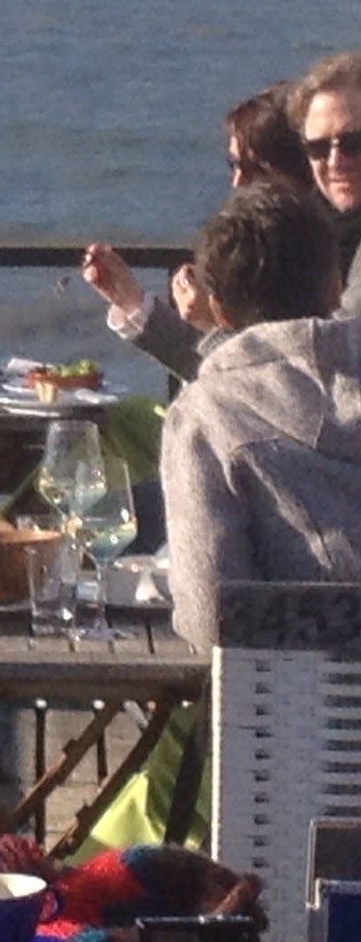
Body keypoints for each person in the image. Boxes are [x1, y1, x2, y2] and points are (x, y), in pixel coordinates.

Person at [161, 181, 361, 648]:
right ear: (335, 286)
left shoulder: (207, 418)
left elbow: (209, 618)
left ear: (218, 311)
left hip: (294, 712)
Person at [82, 82, 310, 383]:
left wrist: (213, 326)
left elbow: (273, 393)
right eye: (232, 165)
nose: (238, 182)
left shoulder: (320, 260)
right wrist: (131, 301)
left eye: (254, 168)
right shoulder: (269, 248)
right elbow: (219, 376)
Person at [287, 48, 361, 310]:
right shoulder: (300, 237)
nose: (335, 162)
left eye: (352, 143)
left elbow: (339, 344)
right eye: (318, 148)